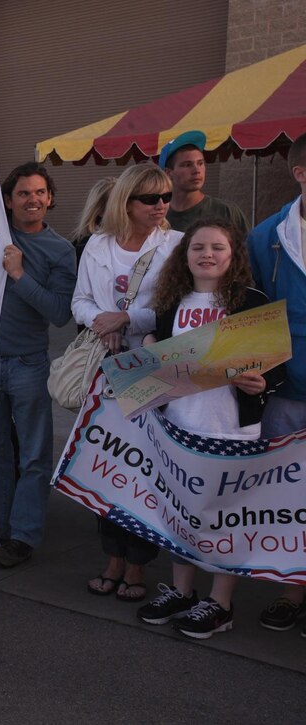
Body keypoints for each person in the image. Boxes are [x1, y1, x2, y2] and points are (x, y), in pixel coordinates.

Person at [135, 220, 280, 638]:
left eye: (218, 247)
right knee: (179, 512)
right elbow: (157, 355)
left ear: (233, 254)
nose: (207, 255)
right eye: (198, 247)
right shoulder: (171, 300)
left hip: (231, 429)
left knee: (224, 517)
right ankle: (182, 592)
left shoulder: (251, 301)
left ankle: (220, 603)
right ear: (185, 255)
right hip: (178, 426)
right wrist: (147, 348)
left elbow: (275, 368)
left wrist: (262, 384)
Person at [72, 164, 182, 601]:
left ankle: (137, 564)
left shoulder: (175, 244)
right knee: (105, 461)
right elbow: (80, 300)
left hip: (150, 364)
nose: (161, 206)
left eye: (166, 197)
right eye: (150, 198)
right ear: (126, 201)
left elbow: (177, 308)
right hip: (105, 363)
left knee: (143, 466)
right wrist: (101, 320)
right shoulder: (98, 244)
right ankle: (112, 558)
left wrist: (128, 319)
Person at [0, 163, 76, 568]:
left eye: (40, 192)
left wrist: (19, 275)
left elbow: (59, 312)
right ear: (8, 200)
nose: (32, 200)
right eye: (23, 193)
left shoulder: (60, 250)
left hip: (28, 365)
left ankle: (23, 536)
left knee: (34, 455)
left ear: (50, 198)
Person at [247, 131, 306, 635]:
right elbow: (253, 313)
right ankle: (292, 590)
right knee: (287, 495)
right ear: (301, 174)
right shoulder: (266, 236)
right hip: (287, 391)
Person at [159, 130, 249, 239]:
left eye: (200, 163)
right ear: (168, 173)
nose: (197, 170)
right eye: (187, 165)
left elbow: (247, 248)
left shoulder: (226, 212)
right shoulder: (158, 215)